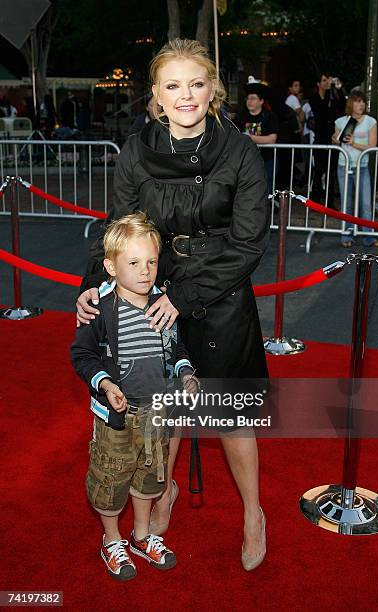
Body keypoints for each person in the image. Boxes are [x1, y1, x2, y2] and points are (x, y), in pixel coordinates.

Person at [76, 38, 270, 571]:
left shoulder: (241, 151)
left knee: (229, 413)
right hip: (153, 285)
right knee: (167, 407)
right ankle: (164, 491)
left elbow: (250, 244)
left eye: (197, 84)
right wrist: (97, 280)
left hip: (221, 290)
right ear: (156, 96)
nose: (186, 95)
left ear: (214, 90)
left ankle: (253, 513)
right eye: (172, 86)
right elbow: (120, 226)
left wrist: (184, 298)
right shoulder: (137, 149)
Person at [71, 212, 199, 580]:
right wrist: (106, 385)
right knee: (112, 475)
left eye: (151, 262)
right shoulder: (99, 307)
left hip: (156, 411)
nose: (145, 271)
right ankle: (112, 539)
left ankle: (142, 534)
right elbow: (82, 355)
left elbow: (177, 350)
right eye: (133, 263)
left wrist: (186, 373)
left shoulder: (163, 303)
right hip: (115, 415)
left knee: (150, 475)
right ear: (110, 265)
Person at [332, 90, 378, 247]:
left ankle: (368, 236)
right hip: (343, 166)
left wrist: (354, 143)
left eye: (363, 102)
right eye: (357, 101)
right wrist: (335, 140)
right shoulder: (340, 121)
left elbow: (372, 146)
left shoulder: (370, 121)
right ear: (351, 104)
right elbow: (337, 141)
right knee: (346, 202)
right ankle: (346, 236)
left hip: (362, 166)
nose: (361, 105)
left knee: (366, 203)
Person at [235, 80, 278, 196]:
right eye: (248, 98)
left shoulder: (269, 117)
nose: (249, 101)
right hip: (246, 160)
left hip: (266, 160)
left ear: (261, 101)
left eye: (253, 98)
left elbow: (272, 139)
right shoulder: (241, 116)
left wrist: (249, 137)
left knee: (266, 190)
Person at [310, 73, 345, 206]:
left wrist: (338, 89)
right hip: (320, 137)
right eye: (323, 81)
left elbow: (342, 105)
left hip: (332, 138)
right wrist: (328, 91)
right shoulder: (314, 98)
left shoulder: (332, 96)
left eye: (327, 80)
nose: (326, 83)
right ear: (318, 84)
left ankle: (329, 201)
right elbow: (322, 111)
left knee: (331, 170)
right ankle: (315, 199)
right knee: (319, 170)